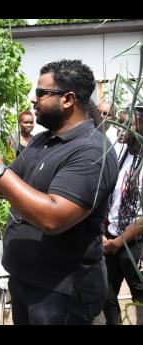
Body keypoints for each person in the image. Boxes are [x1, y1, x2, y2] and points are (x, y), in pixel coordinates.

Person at [0, 59, 119, 325]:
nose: (34, 99)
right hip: (26, 282)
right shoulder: (43, 140)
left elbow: (53, 217)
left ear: (68, 99)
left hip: (62, 292)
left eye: (42, 93)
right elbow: (7, 188)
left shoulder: (92, 151)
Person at [102, 105, 143, 325]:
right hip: (112, 237)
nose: (121, 127)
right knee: (106, 293)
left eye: (127, 123)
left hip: (134, 243)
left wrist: (118, 242)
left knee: (139, 295)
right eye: (120, 121)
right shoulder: (124, 154)